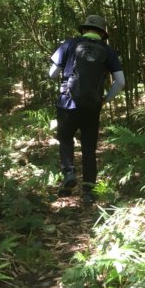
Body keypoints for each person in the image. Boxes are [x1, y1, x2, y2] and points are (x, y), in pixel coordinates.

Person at [49, 14, 125, 205]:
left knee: (65, 138)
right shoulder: (107, 50)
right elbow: (121, 82)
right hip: (92, 105)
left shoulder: (69, 44)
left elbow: (52, 74)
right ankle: (89, 192)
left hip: (67, 103)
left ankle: (68, 172)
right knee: (89, 148)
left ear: (84, 29)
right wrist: (105, 99)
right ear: (101, 32)